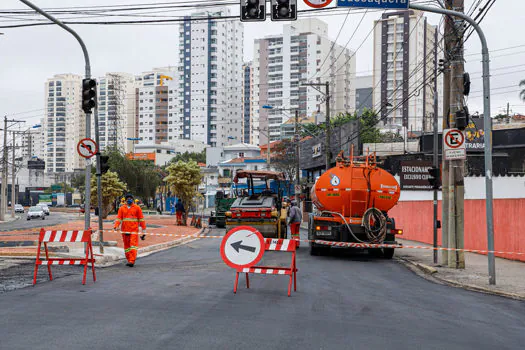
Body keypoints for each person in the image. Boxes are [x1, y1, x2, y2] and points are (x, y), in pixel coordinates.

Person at [114, 193, 146, 267]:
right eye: (128, 199)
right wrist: (116, 226)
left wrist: (144, 231)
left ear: (133, 200)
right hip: (125, 230)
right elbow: (119, 218)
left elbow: (141, 219)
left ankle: (132, 260)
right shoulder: (122, 208)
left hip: (134, 230)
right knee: (127, 246)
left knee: (133, 245)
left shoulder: (137, 208)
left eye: (130, 198)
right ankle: (128, 259)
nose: (129, 200)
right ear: (125, 200)